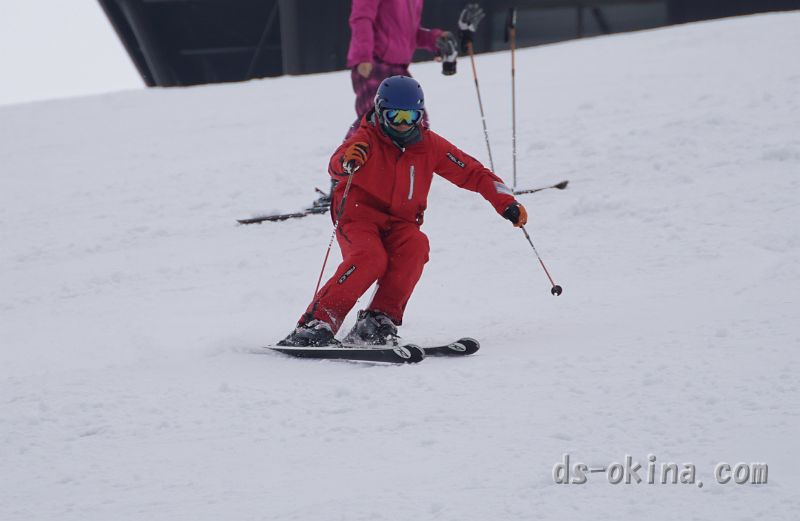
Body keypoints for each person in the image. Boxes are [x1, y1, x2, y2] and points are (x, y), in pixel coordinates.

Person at [277, 76, 528, 347]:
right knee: (370, 258)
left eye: (411, 116)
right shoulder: (366, 139)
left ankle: (377, 320)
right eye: (395, 116)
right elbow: (336, 164)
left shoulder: (428, 145)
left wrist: (506, 202)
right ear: (380, 111)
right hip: (358, 216)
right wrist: (348, 161)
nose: (403, 123)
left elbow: (473, 172)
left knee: (415, 247)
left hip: (401, 222)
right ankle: (316, 323)